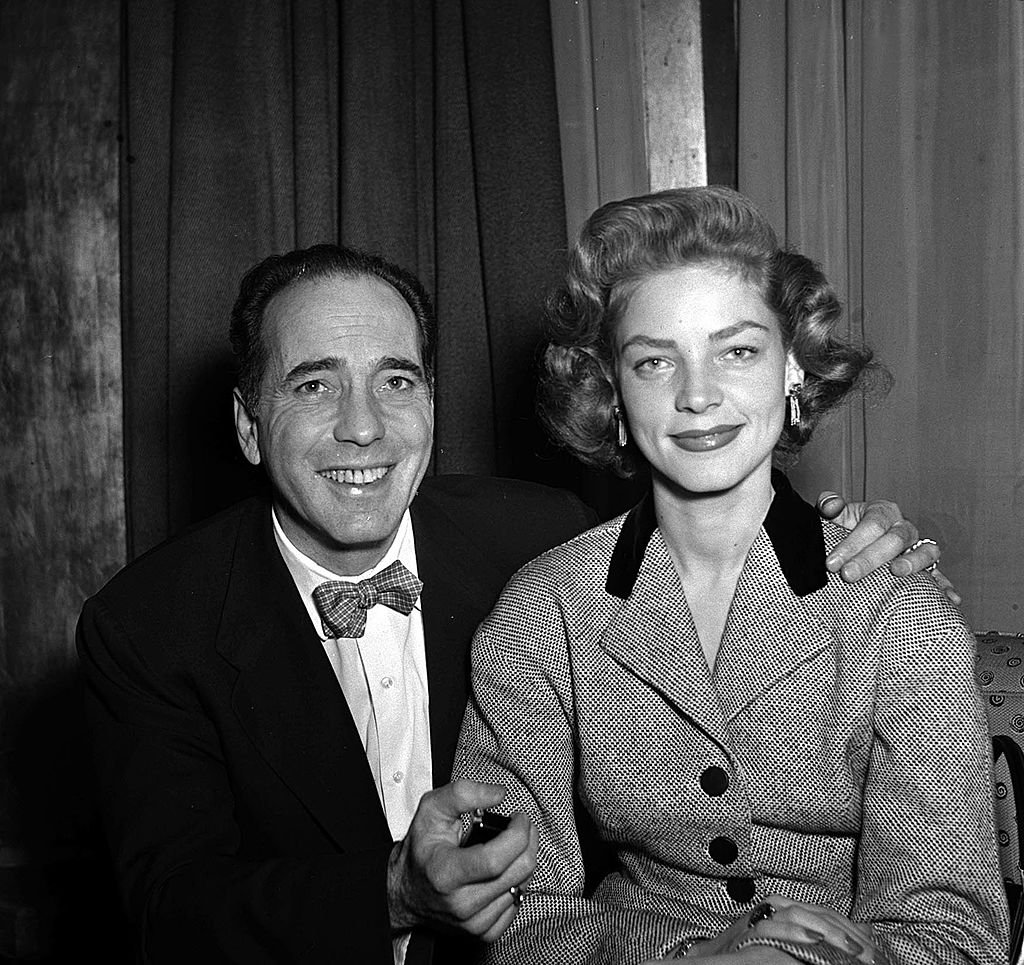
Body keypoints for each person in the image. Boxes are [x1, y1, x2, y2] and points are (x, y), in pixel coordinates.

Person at [77, 242, 942, 964]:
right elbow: (171, 911)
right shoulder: (151, 625)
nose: (364, 427)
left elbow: (707, 521)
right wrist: (394, 890)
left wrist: (854, 535)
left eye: (395, 380)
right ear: (245, 422)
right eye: (313, 385)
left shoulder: (532, 536)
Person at [452, 187, 1008, 965]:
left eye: (737, 350)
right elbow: (518, 913)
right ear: (612, 395)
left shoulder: (900, 613)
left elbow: (954, 935)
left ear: (793, 371)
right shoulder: (541, 613)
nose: (698, 393)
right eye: (654, 361)